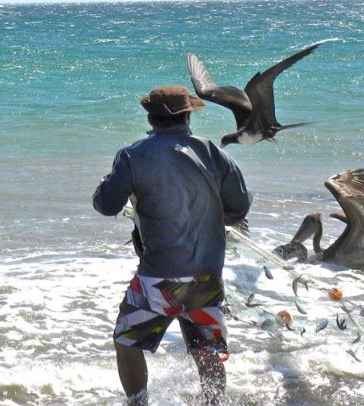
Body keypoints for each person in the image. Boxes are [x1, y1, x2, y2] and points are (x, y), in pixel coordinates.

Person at [93, 85, 252, 406]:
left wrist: (105, 184)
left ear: (151, 118)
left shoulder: (132, 155)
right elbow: (239, 209)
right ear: (188, 115)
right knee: (206, 348)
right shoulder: (214, 153)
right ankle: (214, 403)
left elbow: (107, 205)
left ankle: (138, 403)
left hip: (159, 279)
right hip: (207, 276)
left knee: (127, 341)